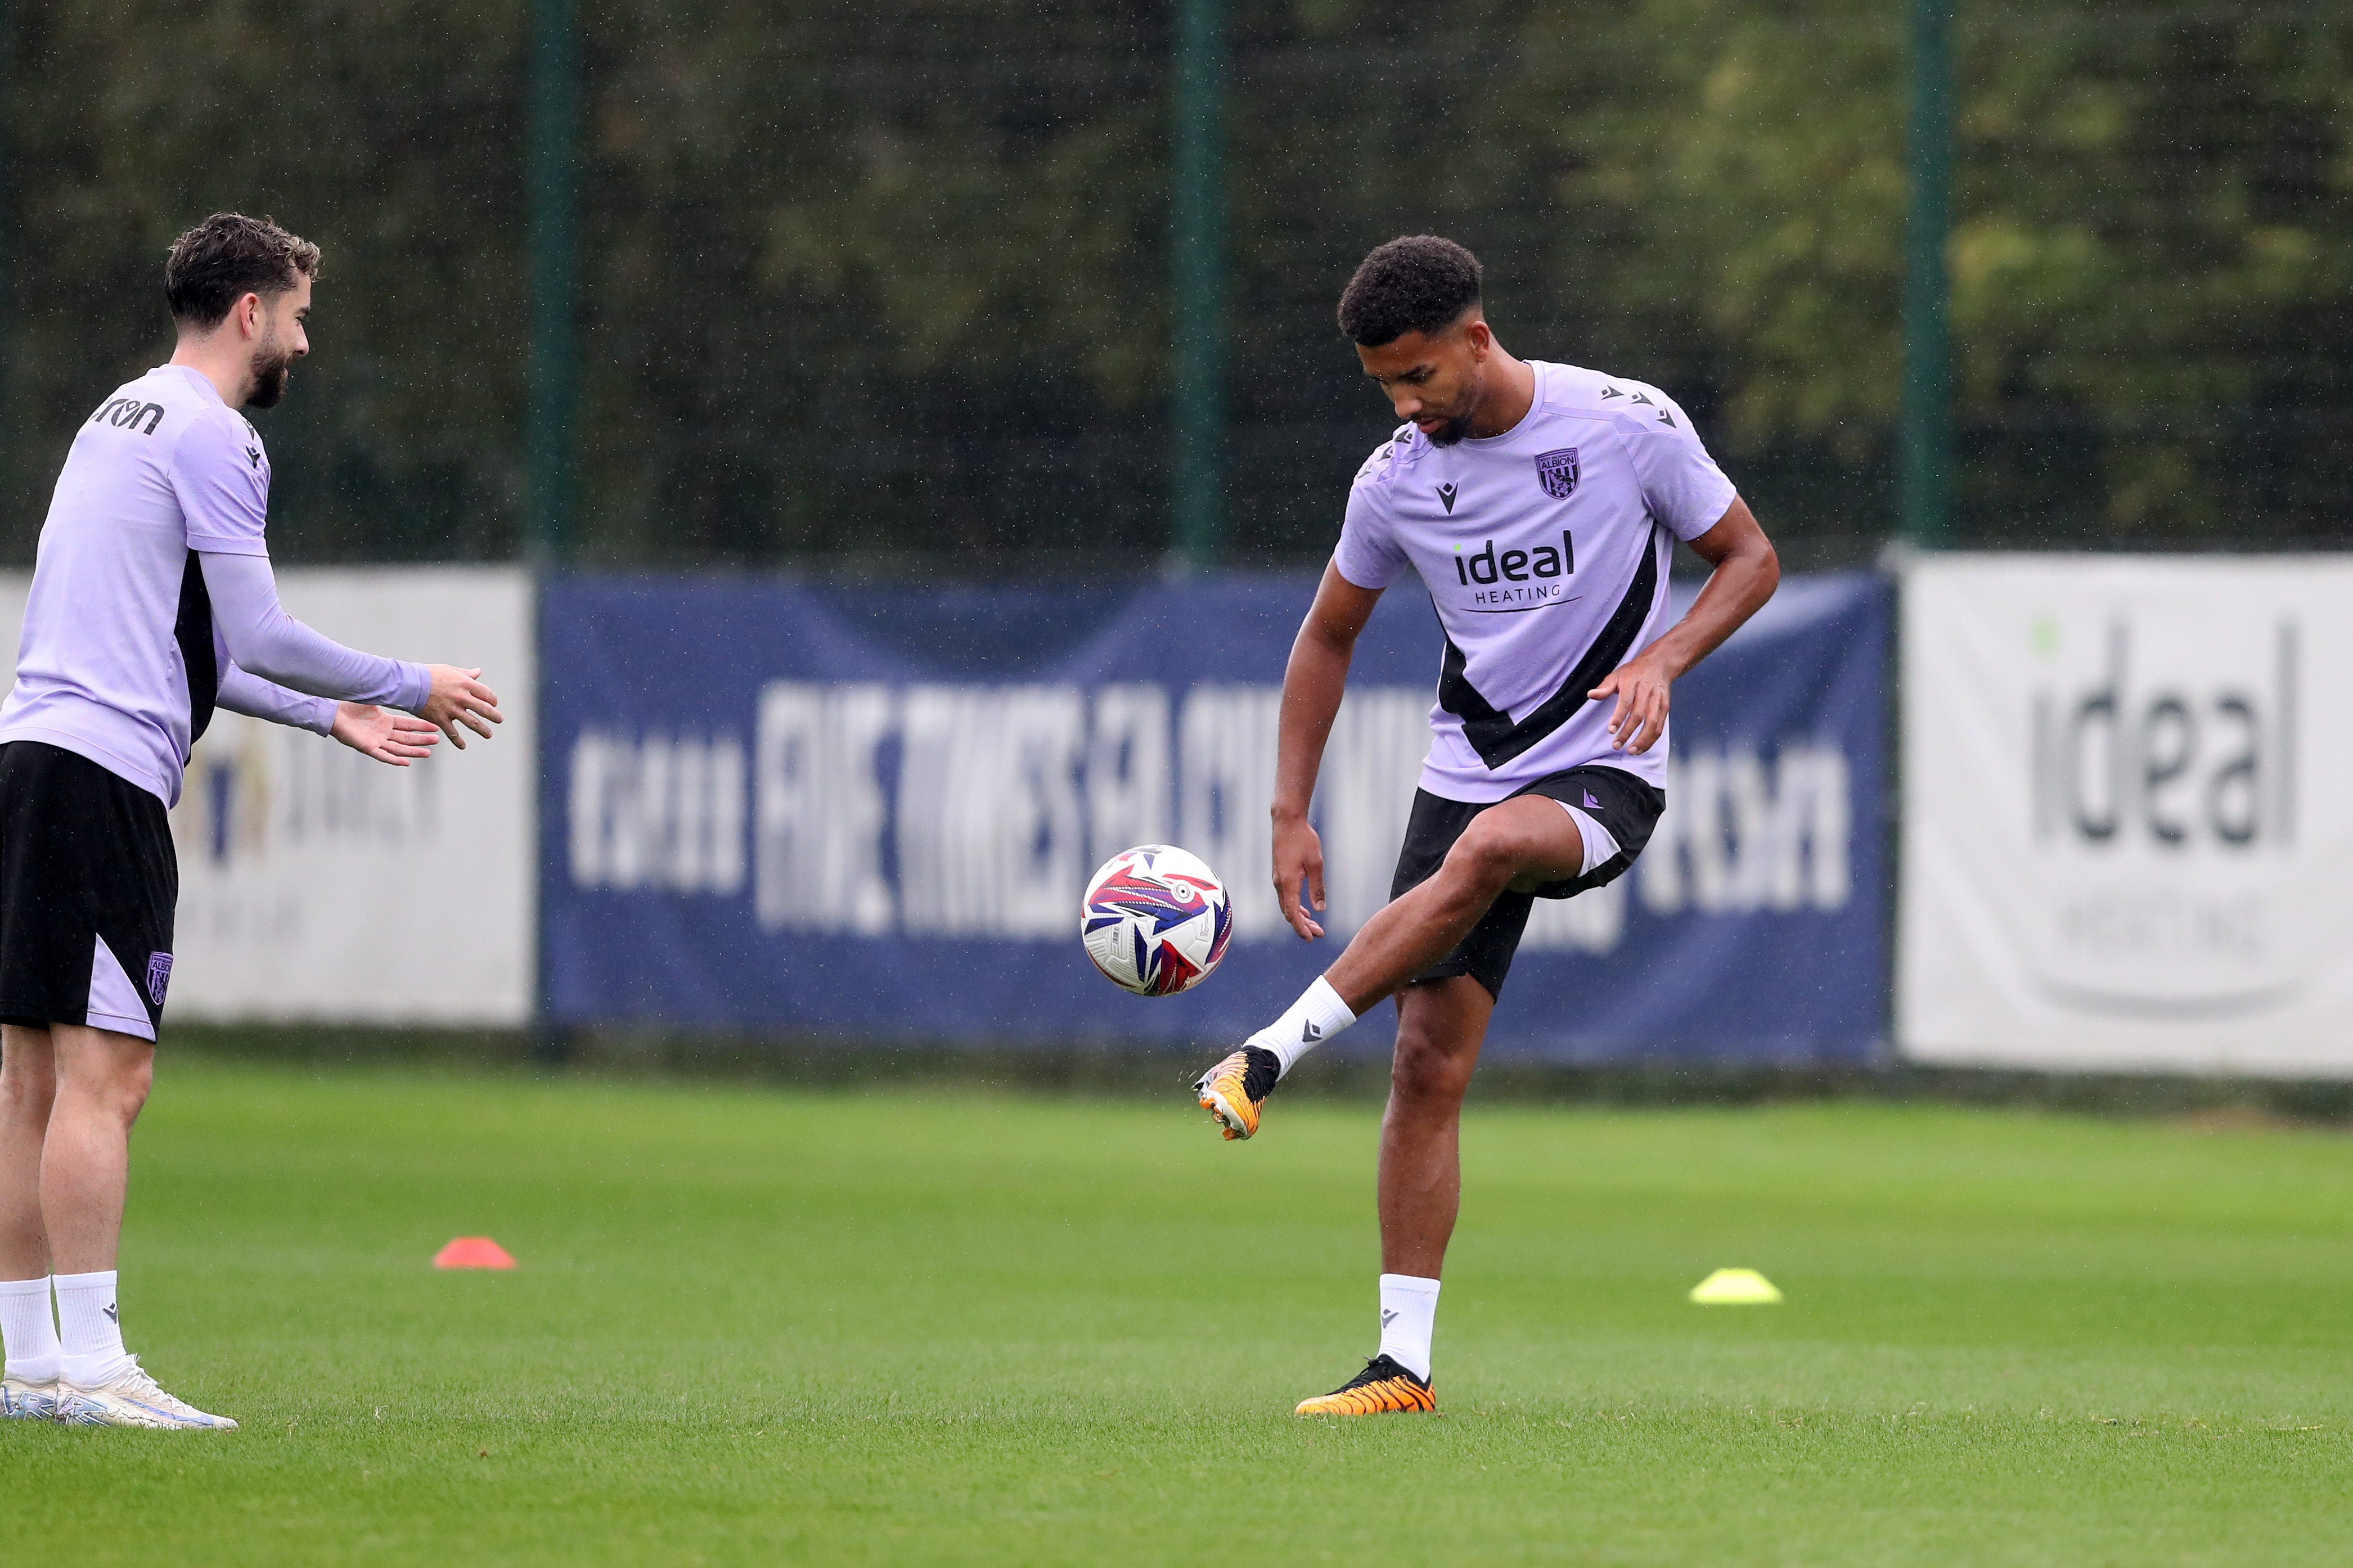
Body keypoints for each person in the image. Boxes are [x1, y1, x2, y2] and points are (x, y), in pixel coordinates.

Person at [1193, 235, 1779, 1416]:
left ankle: (1271, 1049)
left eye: (1419, 378)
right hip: (1467, 768)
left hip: (1605, 771)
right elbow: (1327, 634)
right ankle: (1400, 1364)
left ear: (1476, 335)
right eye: (1383, 388)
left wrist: (1664, 656)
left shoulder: (1624, 424)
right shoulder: (1396, 476)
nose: (1406, 406)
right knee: (1424, 1064)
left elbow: (1749, 558)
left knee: (1500, 846)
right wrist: (1286, 809)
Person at [0, 213, 502, 1430]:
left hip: (29, 758)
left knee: (26, 1079)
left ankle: (26, 1362)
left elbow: (200, 650)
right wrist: (403, 680)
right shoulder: (216, 433)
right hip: (103, 777)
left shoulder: (116, 415)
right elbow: (262, 632)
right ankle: (94, 1365)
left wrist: (328, 724)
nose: (305, 339)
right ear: (248, 314)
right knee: (105, 1078)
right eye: (297, 313)